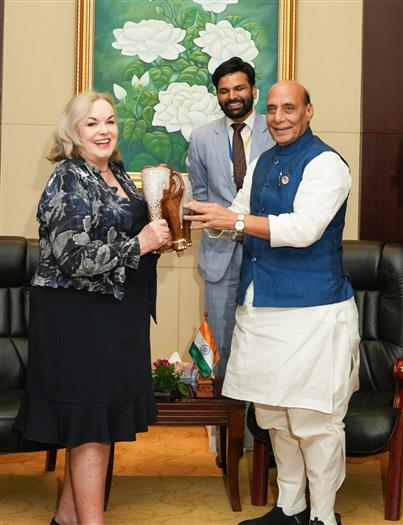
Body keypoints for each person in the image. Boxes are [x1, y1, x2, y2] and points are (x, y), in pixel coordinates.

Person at [185, 80, 360, 525]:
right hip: (261, 309)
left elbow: (303, 229)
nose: (279, 117)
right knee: (274, 416)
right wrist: (205, 218)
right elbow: (240, 219)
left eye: (289, 108)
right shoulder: (262, 161)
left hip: (312, 312)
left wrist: (235, 218)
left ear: (309, 110)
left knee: (313, 422)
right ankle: (290, 509)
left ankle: (323, 516)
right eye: (273, 110)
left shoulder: (327, 164)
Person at [15, 91, 172, 525]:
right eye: (92, 123)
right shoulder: (68, 178)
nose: (104, 130)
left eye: (110, 121)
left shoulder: (116, 173)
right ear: (73, 132)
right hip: (76, 319)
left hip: (116, 317)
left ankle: (65, 519)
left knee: (99, 426)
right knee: (89, 427)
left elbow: (128, 238)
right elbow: (74, 257)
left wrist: (164, 235)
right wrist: (140, 243)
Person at [187, 56, 274, 377]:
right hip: (219, 256)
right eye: (224, 91)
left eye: (239, 88)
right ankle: (223, 425)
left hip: (267, 253)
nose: (232, 96)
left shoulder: (276, 130)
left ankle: (257, 426)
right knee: (221, 345)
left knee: (263, 343)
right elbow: (200, 195)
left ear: (254, 90)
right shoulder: (200, 137)